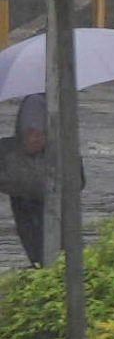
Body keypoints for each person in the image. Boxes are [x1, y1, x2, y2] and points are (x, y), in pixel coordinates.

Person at [3, 90, 48, 268]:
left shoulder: (38, 102)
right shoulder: (36, 102)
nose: (35, 138)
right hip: (30, 194)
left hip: (31, 191)